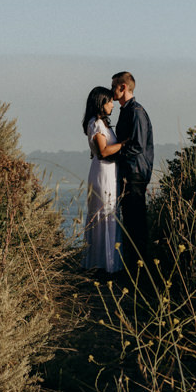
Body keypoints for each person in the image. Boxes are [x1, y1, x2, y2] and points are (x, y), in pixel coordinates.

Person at [110, 71, 153, 272]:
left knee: (136, 223)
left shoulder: (135, 112)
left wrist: (112, 154)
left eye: (113, 87)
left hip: (135, 173)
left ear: (123, 87)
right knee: (131, 221)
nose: (111, 92)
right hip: (130, 172)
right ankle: (135, 267)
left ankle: (140, 270)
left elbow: (137, 145)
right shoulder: (127, 110)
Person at [82, 86, 124, 273]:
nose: (112, 105)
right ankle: (102, 264)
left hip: (108, 172)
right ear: (101, 103)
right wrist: (125, 143)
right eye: (109, 101)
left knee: (109, 213)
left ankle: (107, 263)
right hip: (103, 173)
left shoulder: (102, 124)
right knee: (105, 213)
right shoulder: (96, 124)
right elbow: (103, 151)